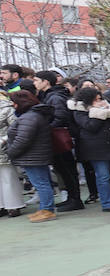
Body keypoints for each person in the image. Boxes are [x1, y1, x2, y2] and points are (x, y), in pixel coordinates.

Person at [70, 85, 110, 212]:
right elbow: (91, 126)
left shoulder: (108, 109)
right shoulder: (79, 112)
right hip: (95, 149)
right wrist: (100, 113)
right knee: (104, 177)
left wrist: (109, 112)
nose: (99, 102)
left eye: (100, 99)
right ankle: (108, 204)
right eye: (96, 100)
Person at [32, 71, 83, 212]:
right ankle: (71, 198)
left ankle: (75, 199)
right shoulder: (48, 95)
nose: (34, 83)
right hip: (55, 137)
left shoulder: (54, 97)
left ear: (46, 82)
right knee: (62, 169)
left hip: (59, 137)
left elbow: (60, 116)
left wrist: (47, 128)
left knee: (67, 169)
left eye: (36, 80)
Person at [5, 89, 56, 221]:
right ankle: (44, 209)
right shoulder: (33, 115)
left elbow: (23, 139)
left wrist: (11, 152)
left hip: (32, 156)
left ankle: (47, 210)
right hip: (34, 155)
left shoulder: (29, 117)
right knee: (42, 183)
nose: (12, 105)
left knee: (41, 183)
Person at [0, 90, 23, 218]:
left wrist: (3, 139)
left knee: (8, 177)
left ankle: (13, 205)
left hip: (3, 146)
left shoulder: (6, 107)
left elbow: (14, 127)